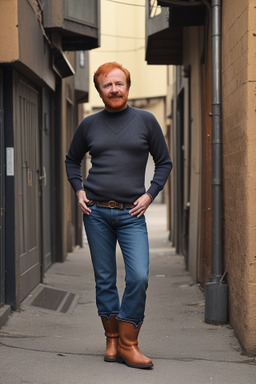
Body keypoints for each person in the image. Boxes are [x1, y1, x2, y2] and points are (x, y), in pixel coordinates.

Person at [65, 62, 172, 369]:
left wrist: (150, 194)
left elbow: (164, 163)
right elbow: (72, 160)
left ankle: (129, 343)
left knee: (138, 276)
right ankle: (112, 340)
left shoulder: (146, 121)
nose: (114, 89)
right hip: (96, 212)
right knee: (105, 279)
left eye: (118, 84)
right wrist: (79, 189)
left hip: (131, 214)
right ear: (99, 91)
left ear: (128, 86)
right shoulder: (89, 125)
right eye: (107, 85)